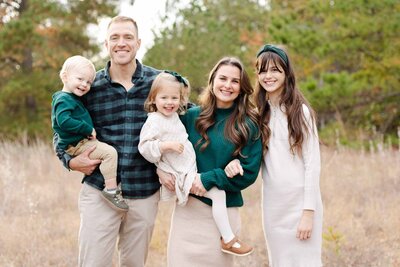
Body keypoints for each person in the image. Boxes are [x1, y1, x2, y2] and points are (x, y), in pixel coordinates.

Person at [53, 16, 161, 267]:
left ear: (138, 43)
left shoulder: (158, 82)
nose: (121, 43)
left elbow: (186, 117)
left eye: (127, 37)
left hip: (143, 191)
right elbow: (60, 128)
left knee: (134, 263)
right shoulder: (88, 85)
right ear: (106, 44)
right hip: (99, 190)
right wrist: (69, 161)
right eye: (115, 38)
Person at [157, 57, 262, 266]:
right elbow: (161, 142)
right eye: (222, 78)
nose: (228, 85)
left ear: (242, 87)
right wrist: (160, 171)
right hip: (187, 212)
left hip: (223, 217)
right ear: (212, 81)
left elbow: (249, 172)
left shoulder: (249, 124)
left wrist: (207, 178)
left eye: (235, 81)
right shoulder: (190, 117)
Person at [138, 71, 253, 257]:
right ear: (153, 99)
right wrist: (163, 157)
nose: (169, 102)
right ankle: (229, 238)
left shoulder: (176, 115)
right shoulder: (155, 120)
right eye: (164, 98)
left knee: (218, 195)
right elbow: (144, 147)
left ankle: (228, 238)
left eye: (174, 98)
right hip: (181, 173)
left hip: (187, 170)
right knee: (217, 193)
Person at [254, 44, 323, 266]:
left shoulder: (299, 111)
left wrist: (308, 212)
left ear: (286, 73)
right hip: (273, 206)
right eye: (263, 70)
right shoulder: (257, 114)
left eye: (275, 70)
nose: (268, 76)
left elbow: (313, 165)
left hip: (301, 205)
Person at [51, 55, 129, 212]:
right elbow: (63, 122)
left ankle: (111, 188)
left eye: (88, 82)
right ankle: (111, 190)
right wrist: (87, 129)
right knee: (110, 153)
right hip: (78, 145)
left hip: (80, 142)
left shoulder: (71, 98)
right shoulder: (64, 99)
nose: (84, 84)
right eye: (80, 79)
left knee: (107, 152)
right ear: (65, 76)